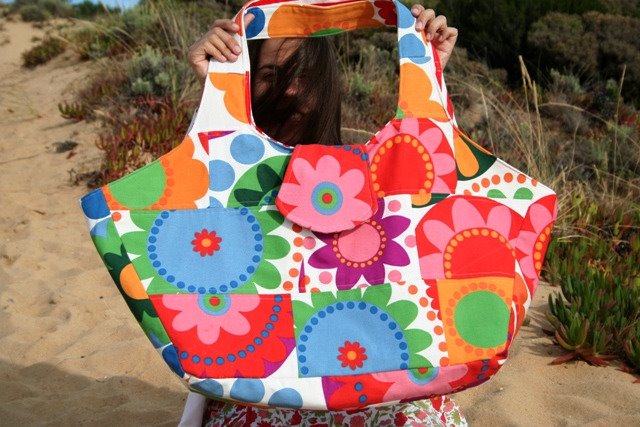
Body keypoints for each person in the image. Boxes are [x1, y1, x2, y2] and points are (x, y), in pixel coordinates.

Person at [181, 3, 464, 426]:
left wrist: (432, 75)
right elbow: (189, 217)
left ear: (326, 86)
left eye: (305, 77)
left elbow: (435, 191)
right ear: (246, 80)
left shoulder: (376, 171)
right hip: (258, 386)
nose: (291, 91)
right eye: (271, 76)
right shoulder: (225, 173)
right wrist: (215, 94)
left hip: (386, 372)